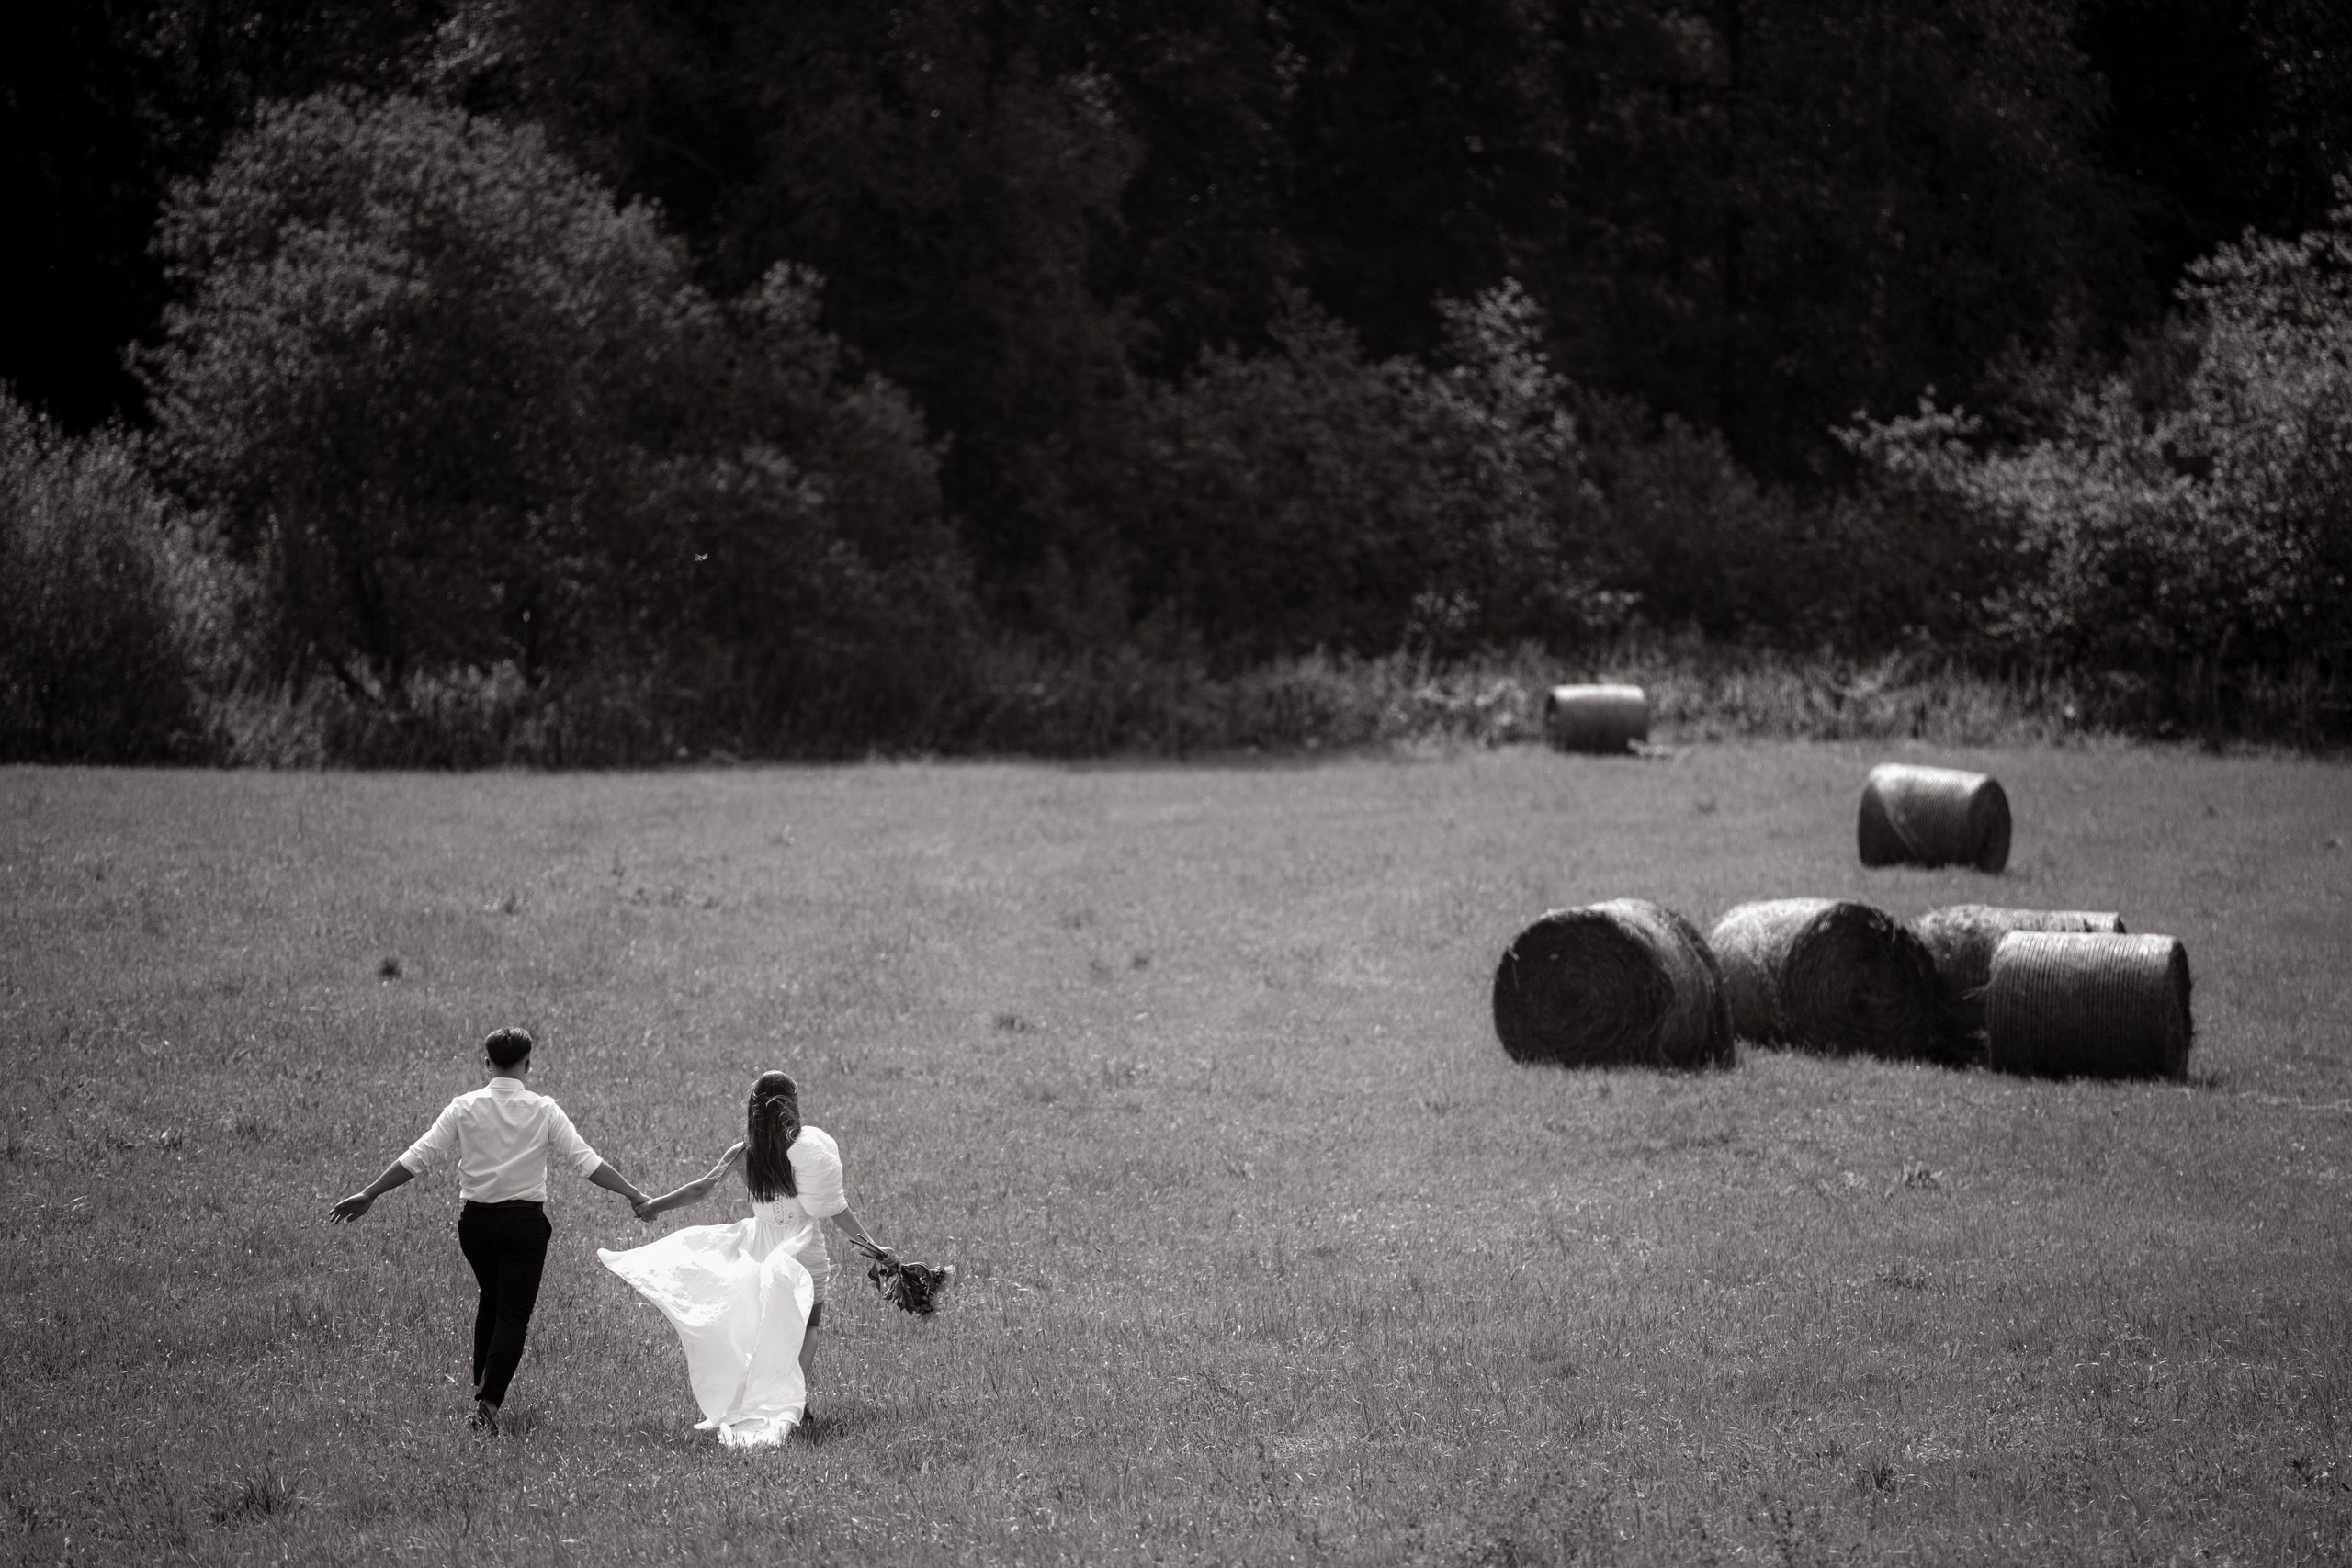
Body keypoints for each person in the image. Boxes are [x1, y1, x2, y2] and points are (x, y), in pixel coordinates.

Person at [330, 1026, 650, 1433]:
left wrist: (370, 1193)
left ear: (486, 1063)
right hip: (523, 1226)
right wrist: (634, 1194)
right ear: (528, 1064)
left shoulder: (464, 1107)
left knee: (492, 1299)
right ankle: (489, 1406)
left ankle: (481, 1388)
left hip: (475, 1226)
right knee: (512, 1314)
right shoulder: (544, 1109)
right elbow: (587, 1162)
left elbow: (419, 1155)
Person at [600, 1070, 894, 1446]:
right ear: (792, 1106)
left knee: (766, 1328)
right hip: (803, 1250)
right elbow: (836, 1211)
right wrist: (877, 1249)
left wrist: (656, 1205)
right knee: (808, 1327)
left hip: (760, 1250)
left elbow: (701, 1189)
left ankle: (779, 1397)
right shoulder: (804, 1154)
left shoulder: (742, 1154)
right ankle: (788, 1399)